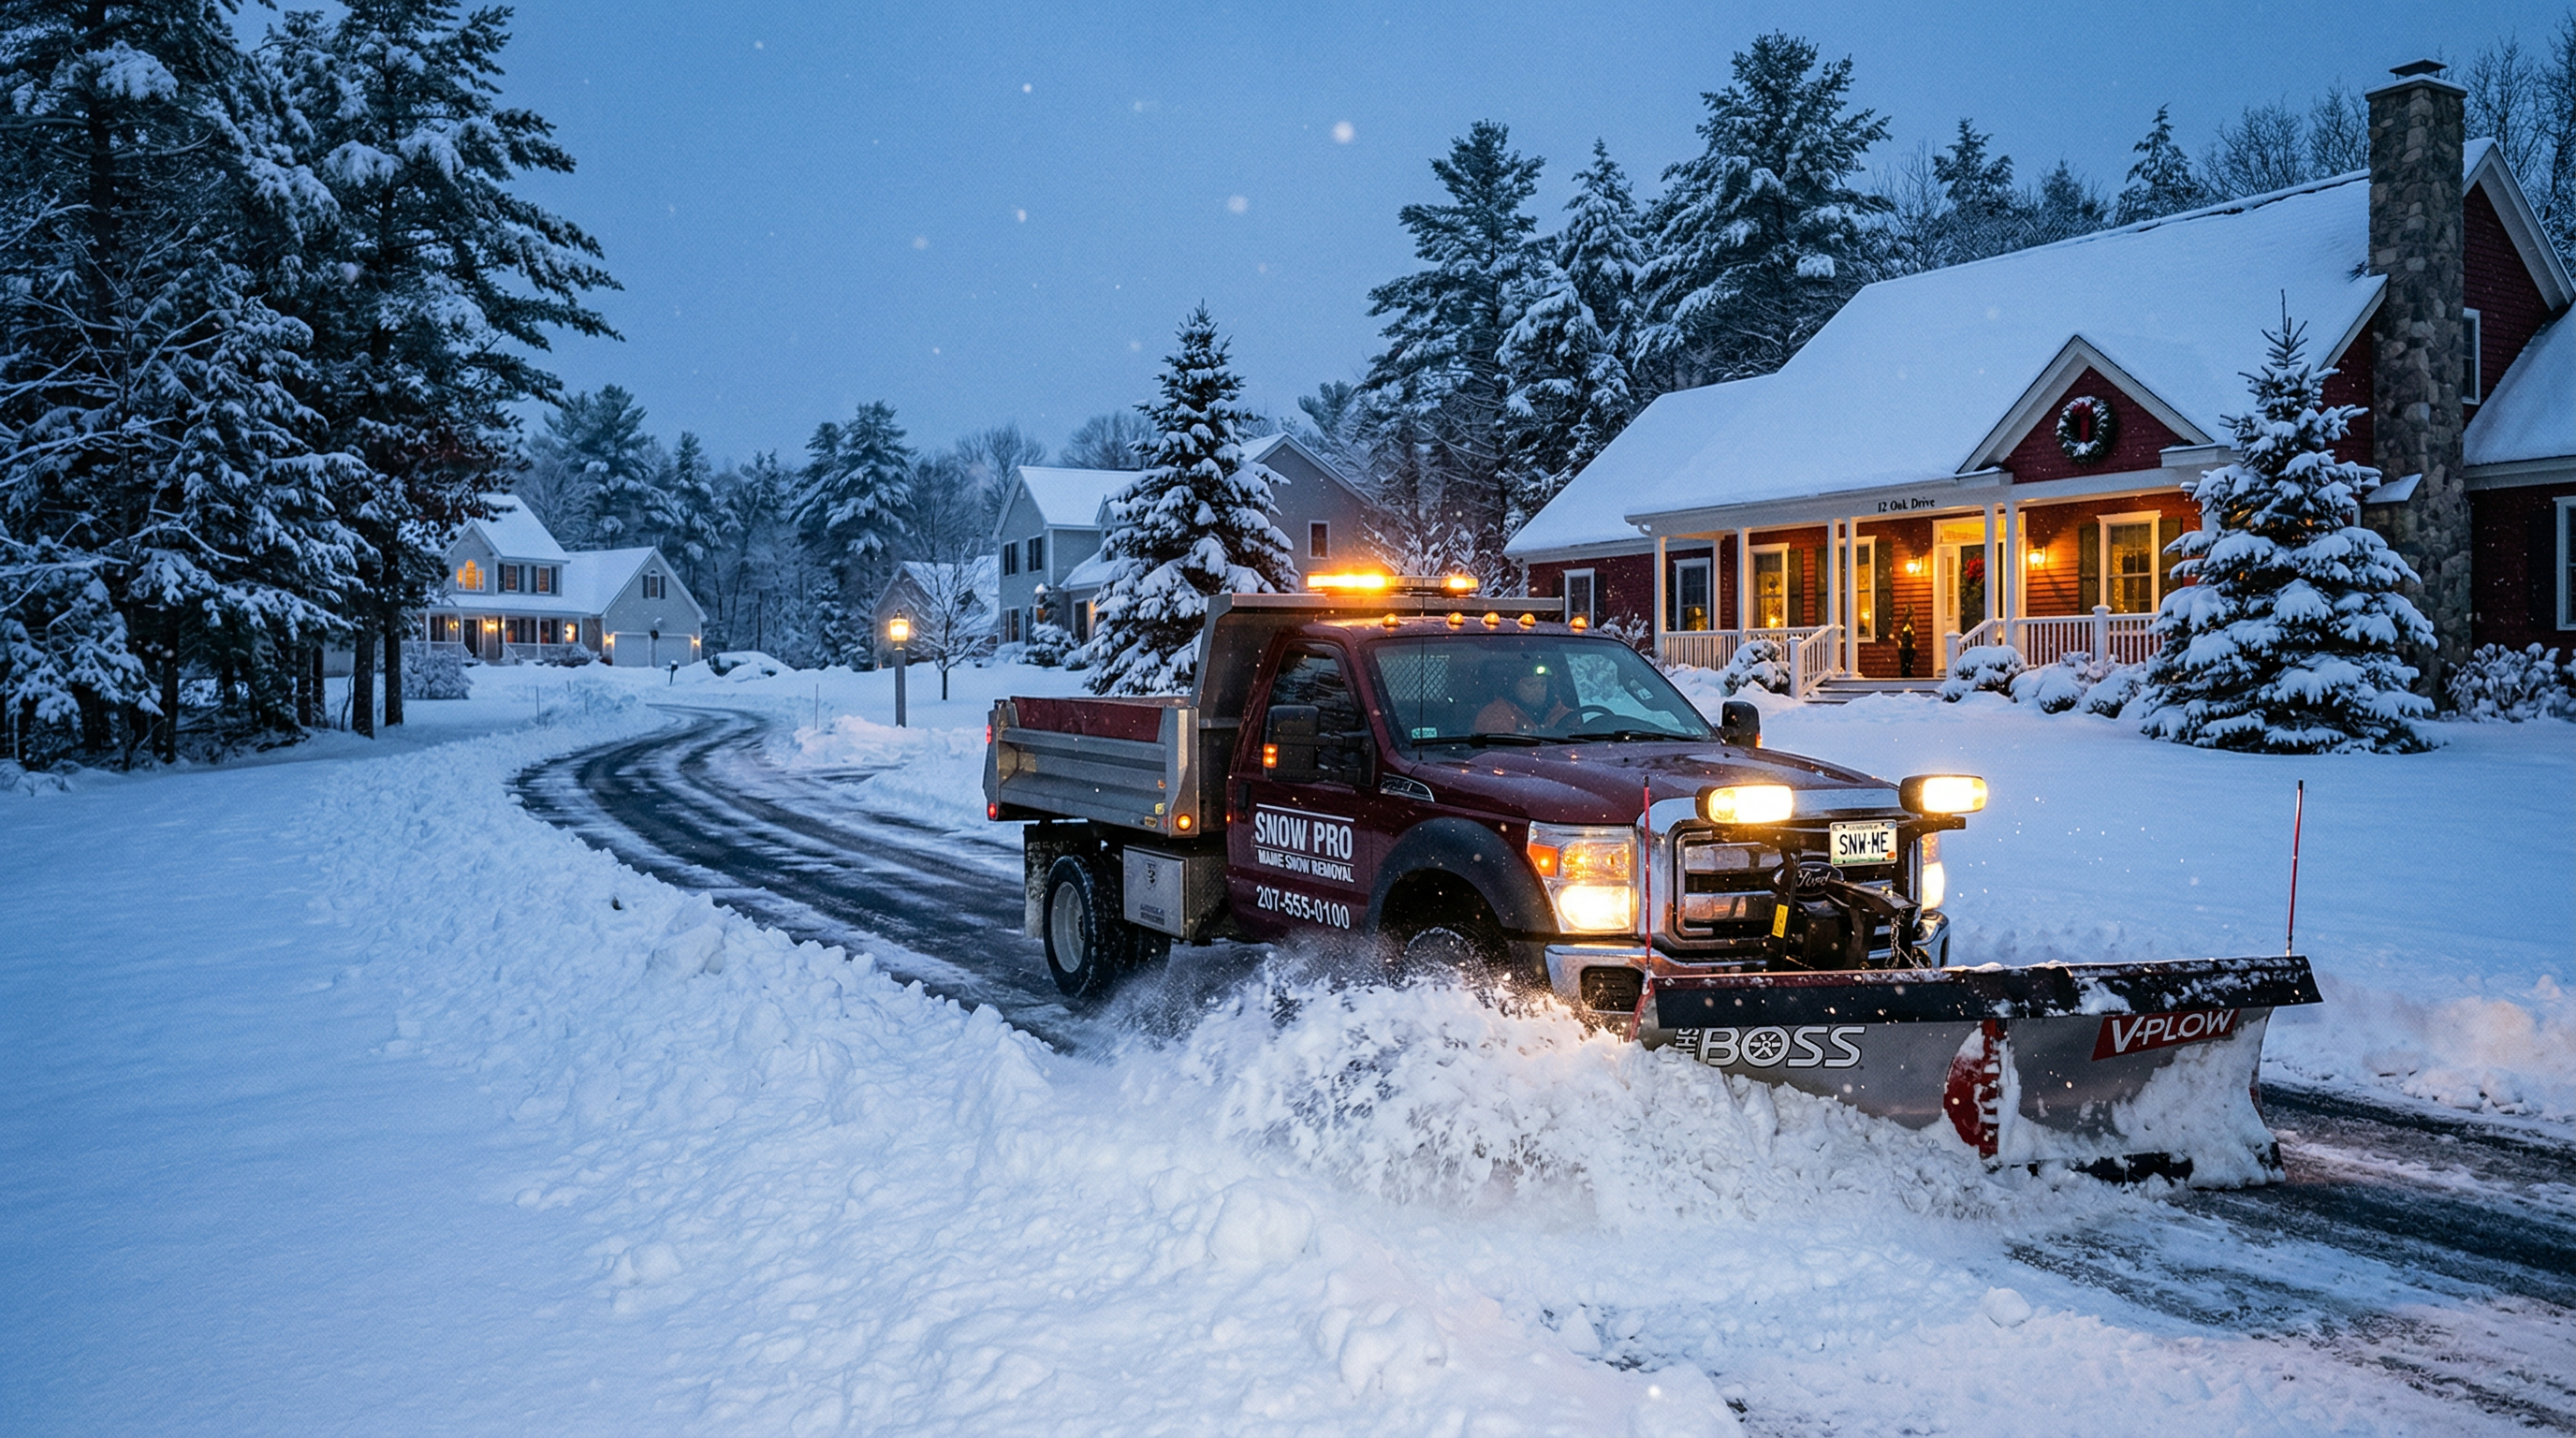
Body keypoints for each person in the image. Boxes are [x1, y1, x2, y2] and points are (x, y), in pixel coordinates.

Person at [1474, 657, 1572, 734]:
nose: (1539, 689)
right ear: (1513, 686)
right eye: (1531, 684)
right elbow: (1499, 753)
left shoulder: (1562, 713)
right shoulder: (1495, 716)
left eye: (1543, 683)